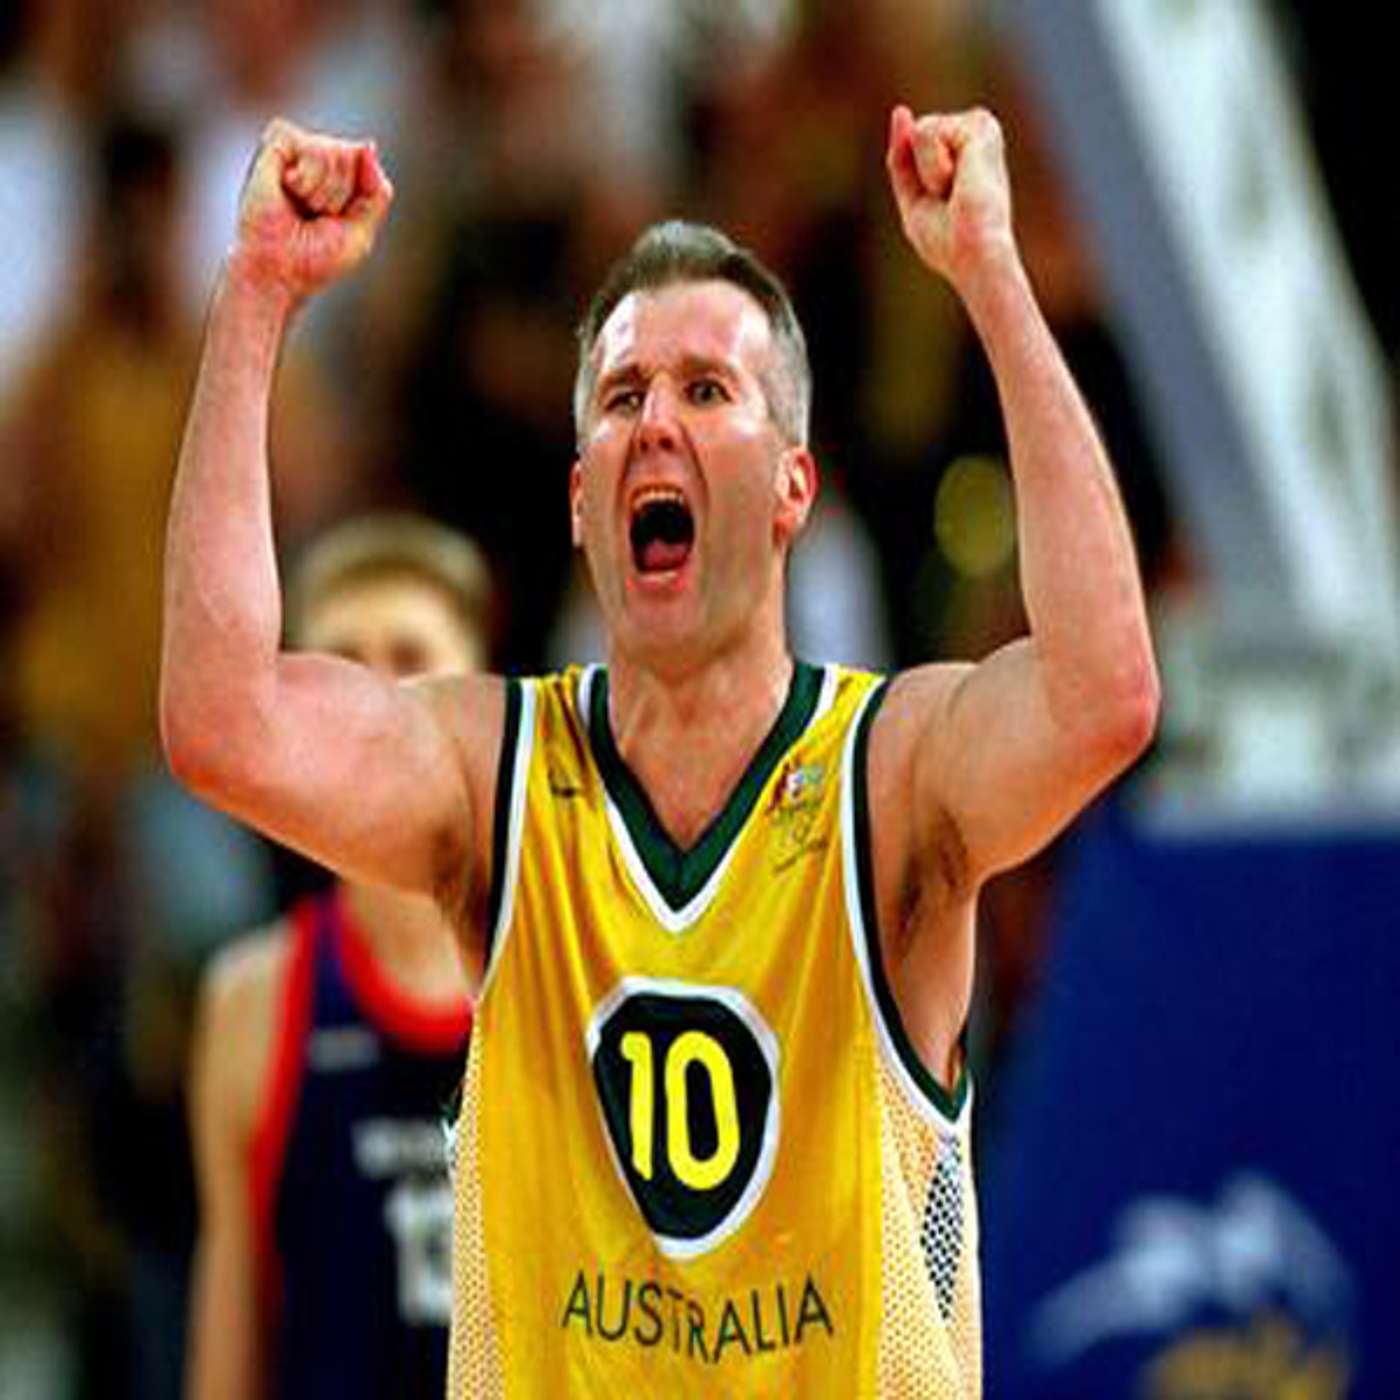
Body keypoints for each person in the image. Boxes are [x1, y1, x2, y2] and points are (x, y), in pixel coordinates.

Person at [161, 104, 1158, 1396]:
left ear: (794, 488)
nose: (655, 423)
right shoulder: (493, 773)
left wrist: (992, 276)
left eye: (706, 390)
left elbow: (1103, 692)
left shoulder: (888, 776)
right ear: (584, 501)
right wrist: (253, 293)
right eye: (624, 396)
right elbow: (222, 718)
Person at [182, 514, 491, 1399]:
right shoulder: (255, 999)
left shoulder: (570, 971)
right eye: (344, 662)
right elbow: (227, 1355)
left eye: (409, 657)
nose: (377, 697)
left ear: (479, 692)